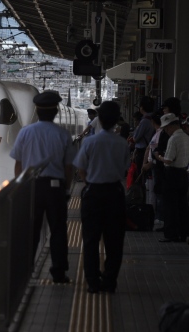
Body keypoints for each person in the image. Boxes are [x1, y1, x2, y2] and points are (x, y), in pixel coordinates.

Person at [9, 90, 76, 284]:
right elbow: (68, 166)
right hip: (55, 188)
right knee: (58, 230)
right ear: (56, 111)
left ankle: (26, 270)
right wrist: (66, 189)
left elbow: (18, 164)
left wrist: (21, 187)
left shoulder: (26, 132)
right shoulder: (63, 134)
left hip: (31, 187)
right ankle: (58, 272)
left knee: (31, 230)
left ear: (37, 111)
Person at [72, 101, 130, 293]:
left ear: (100, 119)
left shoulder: (89, 142)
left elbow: (81, 169)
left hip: (93, 194)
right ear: (116, 121)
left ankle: (93, 282)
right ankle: (110, 281)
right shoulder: (122, 143)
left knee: (90, 240)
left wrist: (89, 182)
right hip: (115, 194)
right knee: (114, 241)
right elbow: (124, 169)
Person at [156, 113, 189, 243]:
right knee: (183, 205)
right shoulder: (187, 137)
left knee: (170, 206)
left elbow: (168, 160)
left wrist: (159, 157)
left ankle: (171, 234)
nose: (165, 130)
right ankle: (184, 233)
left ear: (172, 126)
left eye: (166, 128)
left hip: (172, 174)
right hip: (183, 174)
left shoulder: (173, 139)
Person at [132, 96, 155, 180]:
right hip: (150, 150)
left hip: (143, 152)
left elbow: (135, 138)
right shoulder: (153, 118)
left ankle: (141, 192)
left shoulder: (144, 121)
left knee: (141, 176)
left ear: (142, 107)